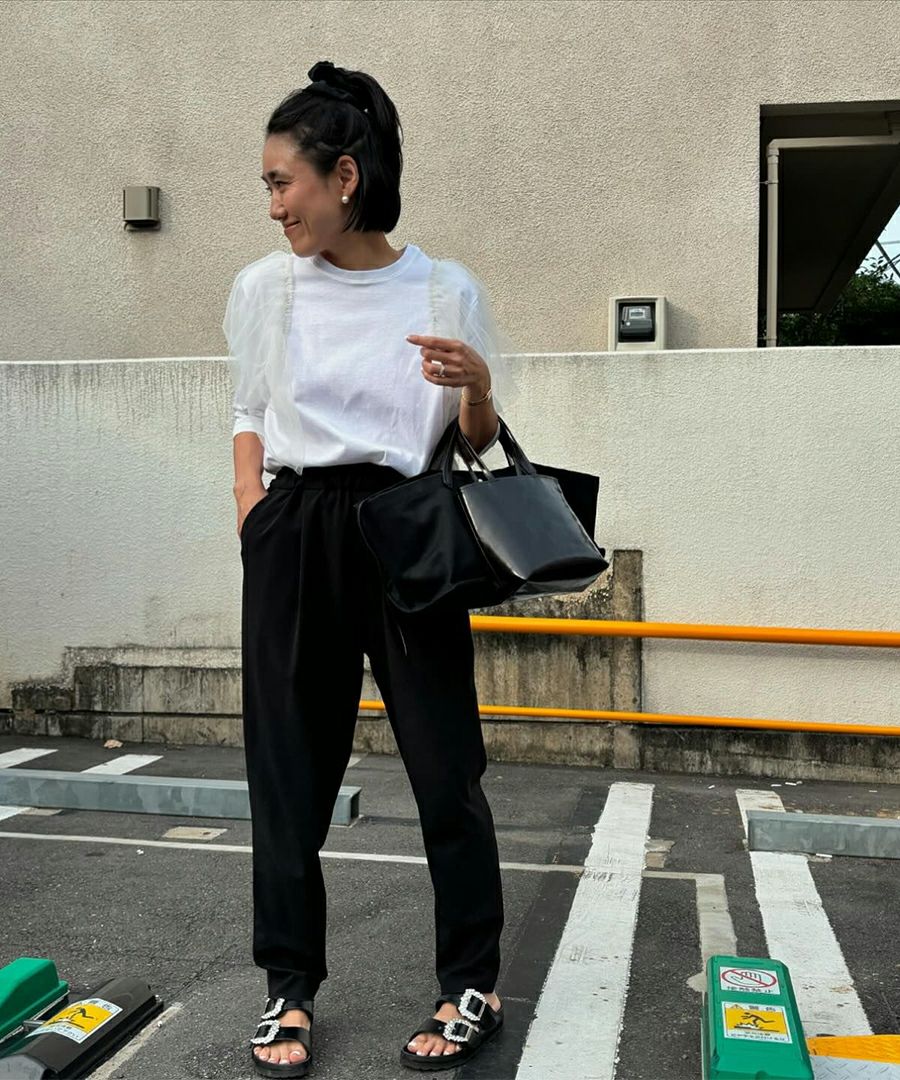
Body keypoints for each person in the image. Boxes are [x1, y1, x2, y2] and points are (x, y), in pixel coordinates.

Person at [223, 61, 518, 1078]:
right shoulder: (265, 288)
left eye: (282, 182)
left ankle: (472, 982)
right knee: (287, 776)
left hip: (406, 524)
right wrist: (252, 512)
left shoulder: (443, 288)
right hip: (296, 529)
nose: (274, 205)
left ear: (343, 177)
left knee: (446, 770)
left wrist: (477, 388)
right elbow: (249, 409)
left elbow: (472, 442)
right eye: (268, 186)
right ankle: (287, 986)